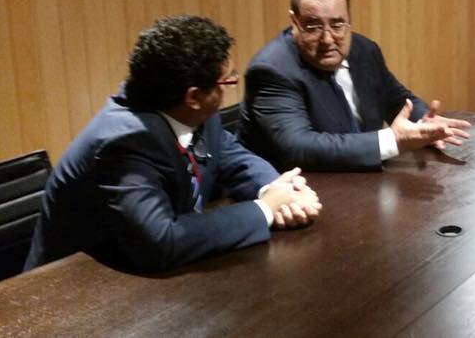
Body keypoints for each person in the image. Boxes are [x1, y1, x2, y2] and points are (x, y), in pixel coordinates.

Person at [25, 16, 321, 273]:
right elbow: (162, 241)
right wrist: (264, 209)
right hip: (74, 293)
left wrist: (277, 190)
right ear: (193, 96)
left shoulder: (187, 110)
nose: (230, 85)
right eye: (227, 81)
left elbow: (231, 155)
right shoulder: (124, 144)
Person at [238, 0, 471, 171]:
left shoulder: (364, 50)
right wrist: (392, 140)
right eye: (313, 26)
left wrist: (423, 124)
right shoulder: (272, 70)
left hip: (362, 182)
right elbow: (298, 147)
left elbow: (397, 100)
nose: (327, 39)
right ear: (295, 21)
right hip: (295, 192)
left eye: (337, 25)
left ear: (349, 20)